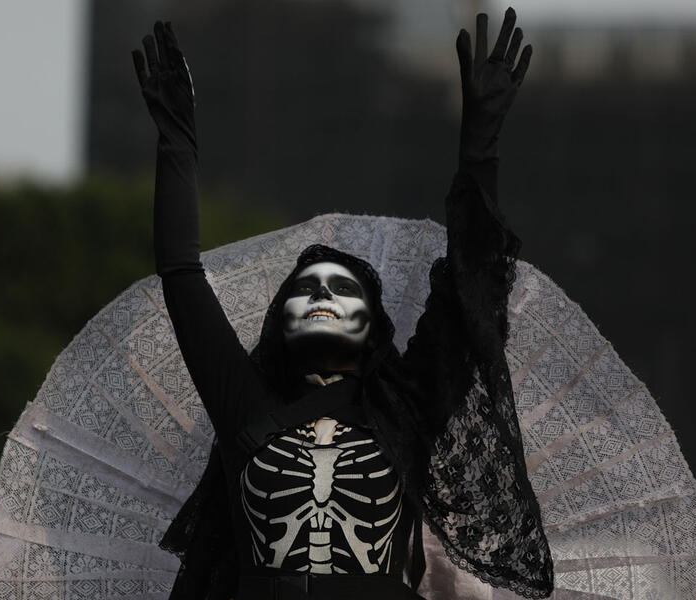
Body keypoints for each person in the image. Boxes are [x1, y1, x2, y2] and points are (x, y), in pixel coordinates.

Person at [132, 8, 553, 600]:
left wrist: (480, 147)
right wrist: (176, 140)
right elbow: (181, 273)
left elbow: (471, 287)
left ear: (372, 327)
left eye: (342, 288)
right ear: (279, 323)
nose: (322, 294)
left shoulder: (409, 410)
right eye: (305, 288)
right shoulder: (243, 406)